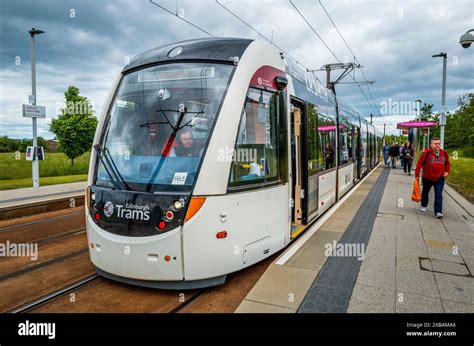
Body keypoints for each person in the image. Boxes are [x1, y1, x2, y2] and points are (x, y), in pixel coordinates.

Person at [415, 137, 450, 218]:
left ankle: (438, 211)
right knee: (425, 192)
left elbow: (447, 163)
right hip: (427, 177)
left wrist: (446, 171)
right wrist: (417, 175)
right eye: (435, 144)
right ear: (431, 144)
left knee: (438, 194)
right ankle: (423, 205)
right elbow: (419, 163)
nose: (437, 145)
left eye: (438, 144)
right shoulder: (426, 153)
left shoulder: (444, 153)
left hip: (439, 178)